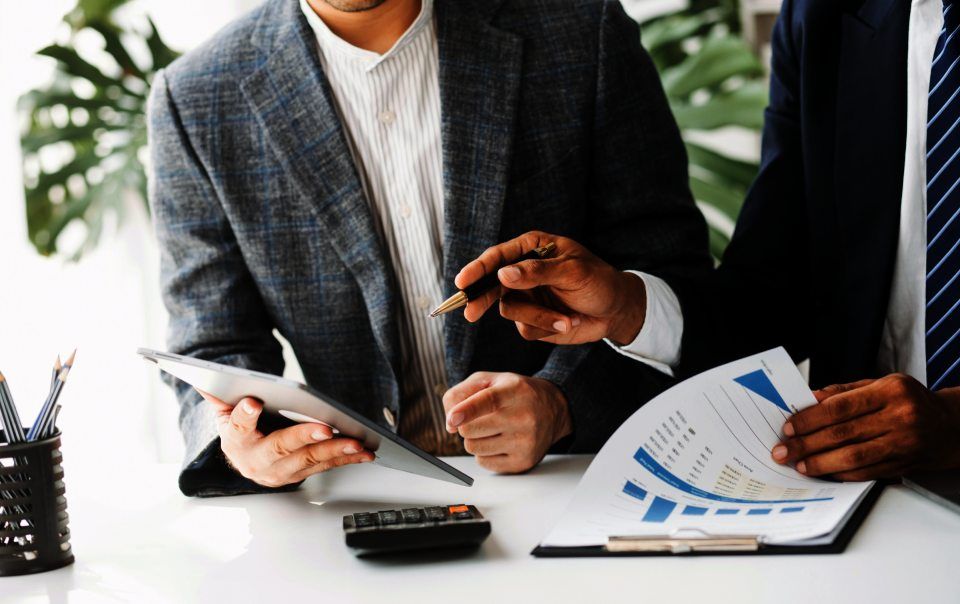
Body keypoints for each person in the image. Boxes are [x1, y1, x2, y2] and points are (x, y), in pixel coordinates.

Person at [148, 0, 711, 496]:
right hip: (352, 508)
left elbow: (667, 269)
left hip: (578, 484)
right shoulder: (195, 97)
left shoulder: (582, 31)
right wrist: (238, 444)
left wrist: (562, 401)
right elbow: (213, 343)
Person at [450, 0, 960, 482]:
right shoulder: (824, 14)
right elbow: (770, 298)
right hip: (869, 499)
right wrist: (628, 307)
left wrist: (951, 423)